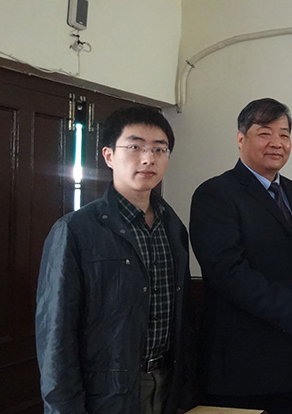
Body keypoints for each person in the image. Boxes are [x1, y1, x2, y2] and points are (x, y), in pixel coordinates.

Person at [35, 106, 194, 414]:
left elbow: (182, 318)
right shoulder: (76, 230)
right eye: (135, 147)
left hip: (166, 384)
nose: (148, 158)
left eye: (159, 149)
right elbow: (56, 334)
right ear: (109, 155)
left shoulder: (173, 227)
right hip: (106, 393)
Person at [189, 98, 292, 414]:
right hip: (240, 365)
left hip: (289, 361)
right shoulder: (216, 194)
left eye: (284, 134)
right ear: (240, 138)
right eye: (264, 133)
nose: (277, 143)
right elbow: (229, 274)